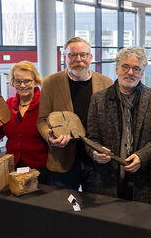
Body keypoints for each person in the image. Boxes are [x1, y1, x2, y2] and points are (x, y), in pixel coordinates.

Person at [86, 46, 151, 204]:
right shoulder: (98, 99)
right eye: (125, 67)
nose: (130, 72)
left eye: (136, 69)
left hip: (144, 184)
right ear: (117, 68)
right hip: (108, 183)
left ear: (142, 73)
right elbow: (92, 138)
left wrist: (142, 156)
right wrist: (95, 152)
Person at [37, 37, 113, 191]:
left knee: (93, 211)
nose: (78, 59)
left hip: (95, 160)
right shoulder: (51, 83)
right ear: (65, 58)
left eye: (83, 55)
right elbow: (42, 120)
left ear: (90, 57)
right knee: (64, 209)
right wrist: (50, 137)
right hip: (63, 158)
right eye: (72, 55)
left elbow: (112, 122)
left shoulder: (107, 83)